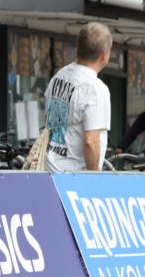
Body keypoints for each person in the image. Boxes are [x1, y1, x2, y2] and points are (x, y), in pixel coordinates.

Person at [43, 23, 113, 172]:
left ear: (78, 48)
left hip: (48, 170)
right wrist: (93, 179)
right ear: (105, 54)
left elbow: (47, 120)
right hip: (72, 179)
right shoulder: (95, 89)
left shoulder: (59, 76)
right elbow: (91, 141)